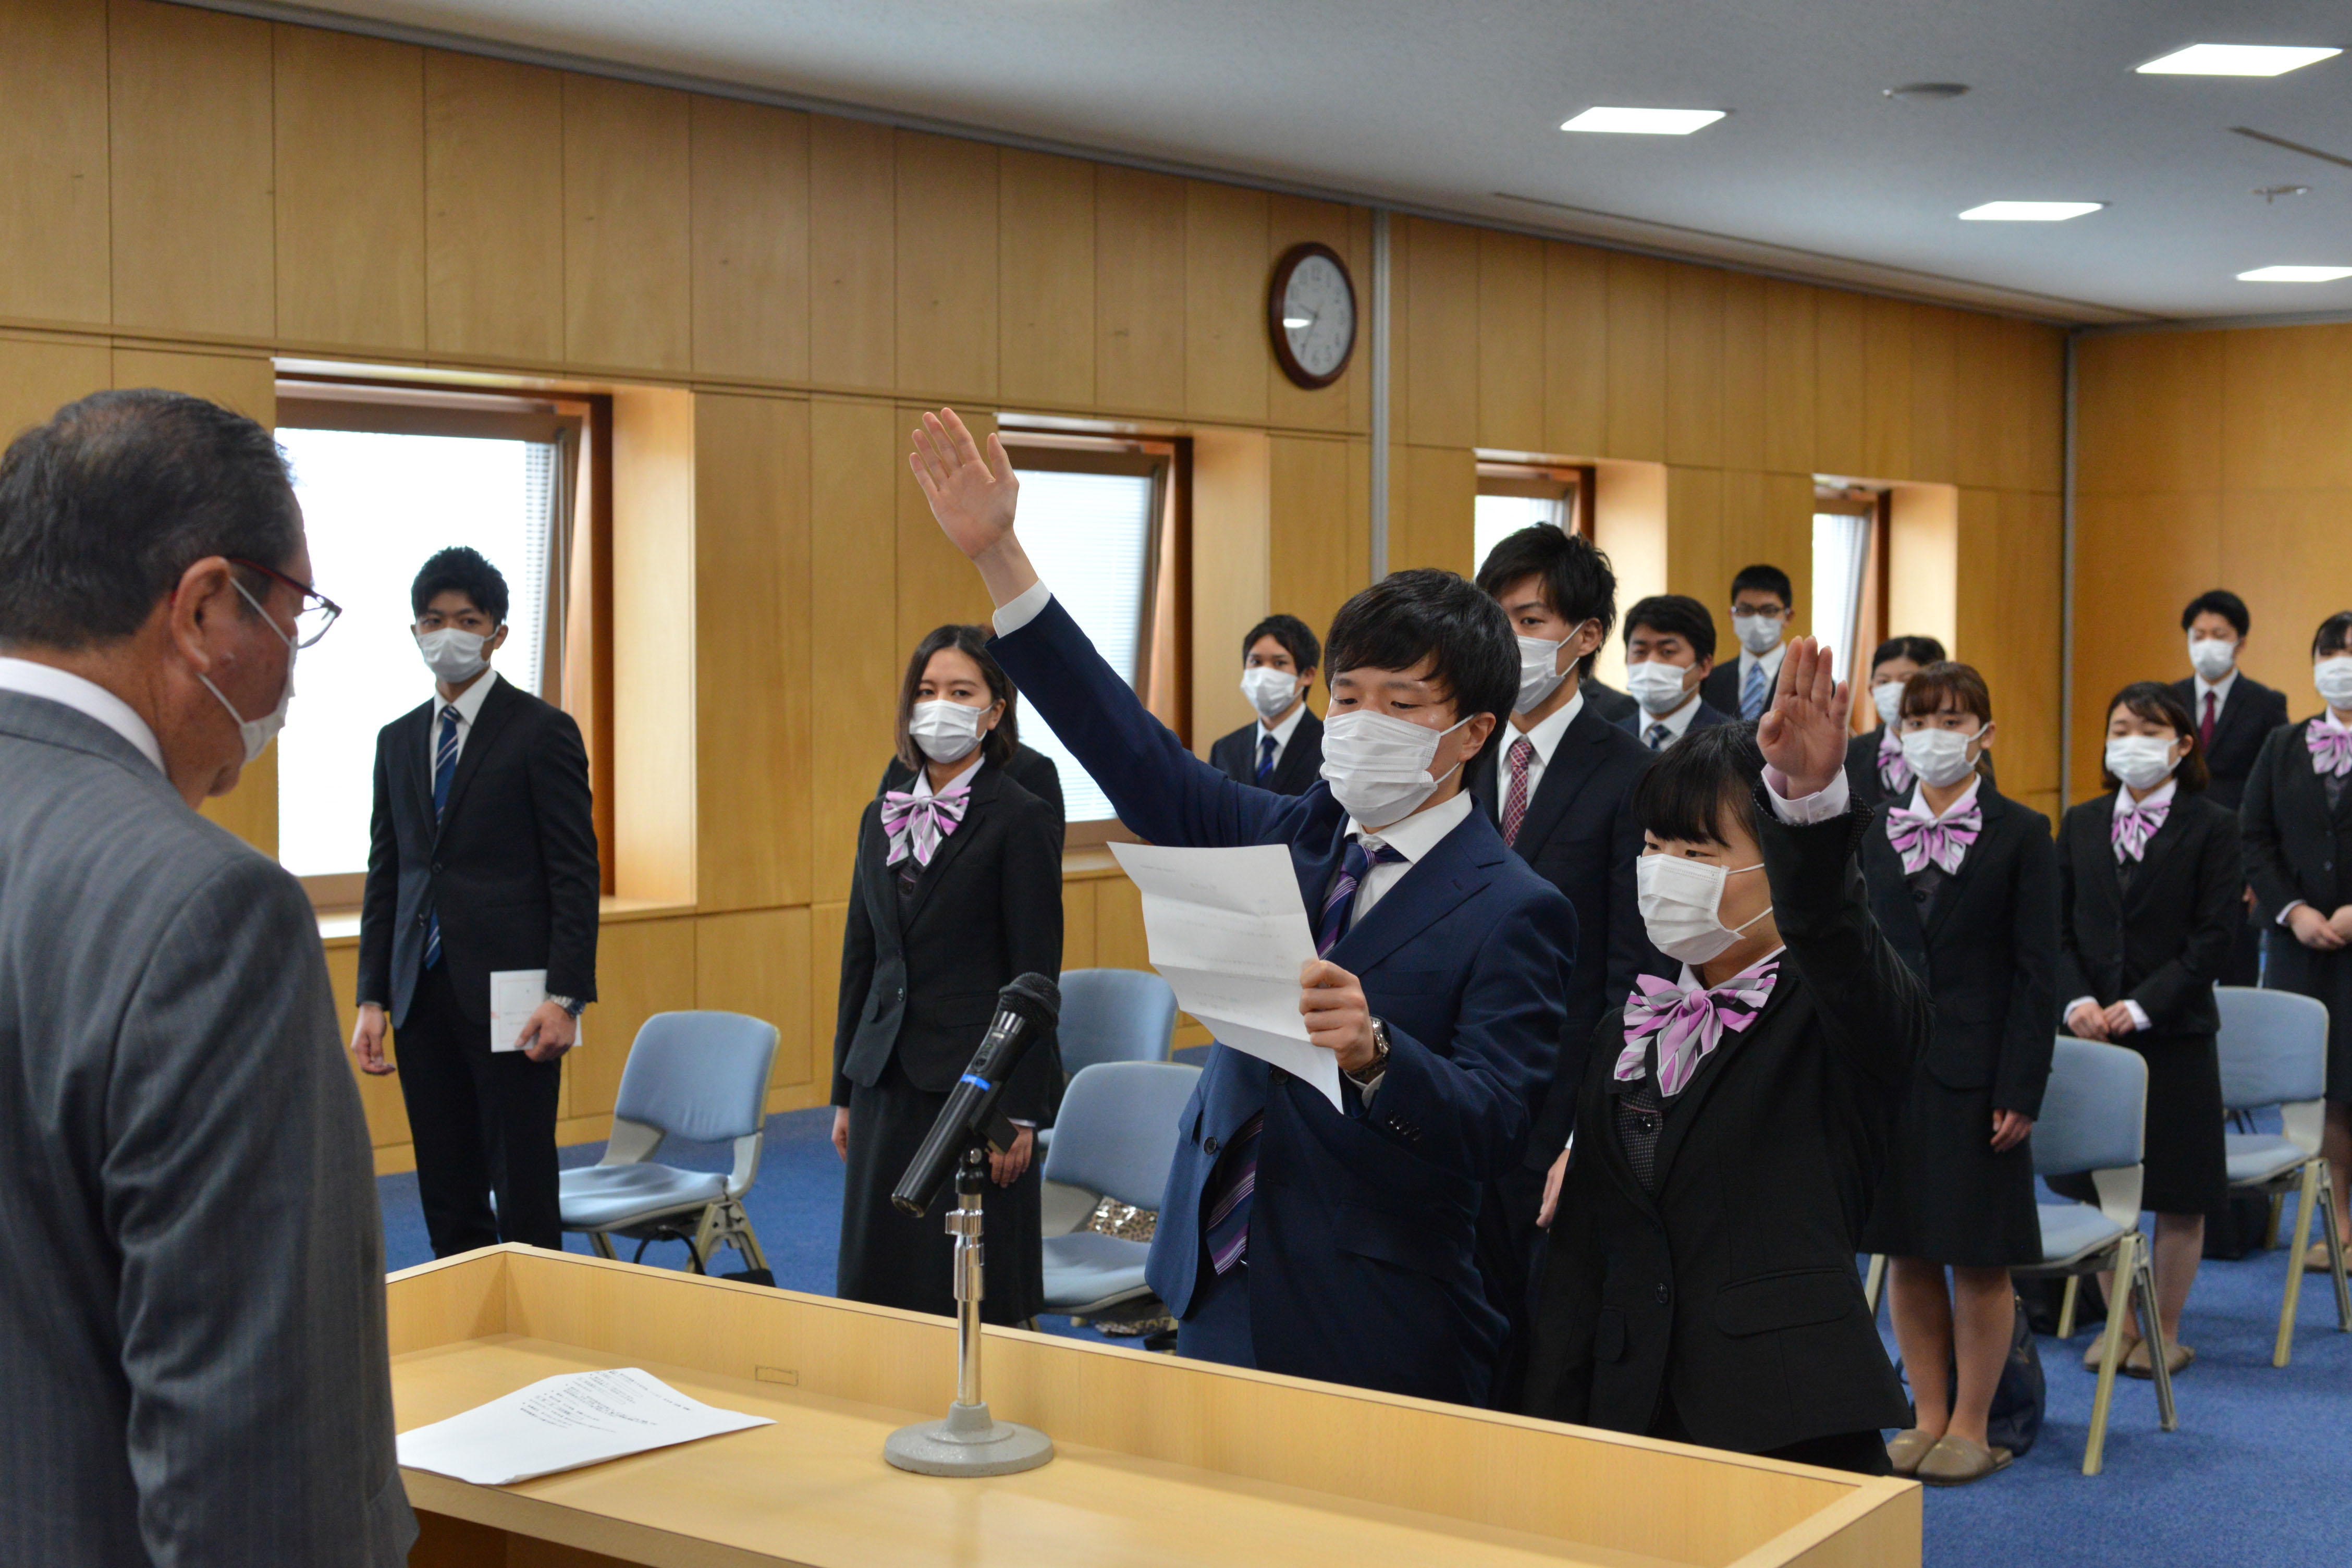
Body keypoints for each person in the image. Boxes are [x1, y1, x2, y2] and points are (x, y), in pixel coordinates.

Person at [909, 407, 1572, 1408]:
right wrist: (1002, 555)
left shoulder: (1515, 905)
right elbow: (1127, 746)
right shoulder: (1292, 831)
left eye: (1402, 705)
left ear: (1473, 731)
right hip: (1213, 1267)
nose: (1360, 725)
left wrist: (1380, 1054)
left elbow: (1496, 1124)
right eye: (1346, 698)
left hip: (1374, 1307)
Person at [0, 389, 414, 1564]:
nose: (292, 667)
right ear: (201, 608)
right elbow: (262, 1481)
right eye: (296, 614)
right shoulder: (205, 914)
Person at [1524, 640, 1930, 1475]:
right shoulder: (1631, 1021)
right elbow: (1583, 1260)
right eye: (1655, 849)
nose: (1666, 874)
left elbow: (1836, 934)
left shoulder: (1833, 1013)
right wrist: (1553, 1419)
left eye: (1700, 855)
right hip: (1634, 1405)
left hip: (1783, 1407)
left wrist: (1809, 809)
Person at [352, 547, 600, 1258]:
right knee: (445, 1179)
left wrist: (568, 995)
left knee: (521, 1180)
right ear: (415, 633)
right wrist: (374, 995)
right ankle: (475, 1340)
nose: (449, 634)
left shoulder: (540, 731)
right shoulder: (397, 741)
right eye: (434, 621)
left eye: (467, 619)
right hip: (422, 992)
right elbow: (388, 874)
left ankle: (543, 1337)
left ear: (497, 632)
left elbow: (574, 873)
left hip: (516, 999)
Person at [1465, 524, 1662, 1405]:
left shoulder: (1631, 773)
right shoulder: (1458, 754)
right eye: (1493, 617)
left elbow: (1636, 971)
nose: (1507, 638)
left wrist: (1591, 1130)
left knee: (1541, 1354)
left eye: (1527, 618)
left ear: (1583, 636)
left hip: (1560, 1105)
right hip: (1453, 1087)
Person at [1856, 662, 2055, 1485]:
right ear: (1898, 733)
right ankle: (1926, 1412)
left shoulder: (2023, 832)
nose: (1935, 732)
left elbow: (2039, 972)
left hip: (1980, 1082)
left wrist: (2020, 1087)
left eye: (1953, 718)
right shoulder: (1871, 828)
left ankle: (1975, 1420)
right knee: (1904, 1252)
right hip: (1892, 1074)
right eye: (1919, 719)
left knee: (1977, 1258)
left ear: (1985, 734)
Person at [832, 624, 1064, 1325]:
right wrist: (845, 1087)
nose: (941, 706)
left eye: (961, 692)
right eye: (928, 691)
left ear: (995, 710)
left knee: (966, 1287)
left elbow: (1035, 972)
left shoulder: (1019, 814)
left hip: (974, 1084)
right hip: (886, 1074)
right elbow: (862, 954)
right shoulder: (882, 811)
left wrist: (1019, 1110)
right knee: (881, 1279)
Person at [2054, 682, 2238, 1379]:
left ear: (2182, 744)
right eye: (2120, 727)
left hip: (2176, 1032)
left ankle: (2163, 1327)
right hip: (2093, 1035)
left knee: (2178, 1192)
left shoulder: (2213, 825)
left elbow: (2217, 935)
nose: (2131, 741)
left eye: (2148, 729)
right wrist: (2076, 1000)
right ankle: (2118, 1322)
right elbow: (2058, 924)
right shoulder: (2080, 821)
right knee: (2104, 1187)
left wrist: (2142, 1005)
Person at [2239, 610, 2352, 1270]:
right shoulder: (2283, 743)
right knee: (2325, 1085)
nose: (2341, 660)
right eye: (2330, 650)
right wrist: (2294, 908)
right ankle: (2338, 1221)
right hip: (2300, 942)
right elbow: (2254, 837)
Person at [2171, 590, 2286, 989]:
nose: (2207, 644)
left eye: (2218, 634)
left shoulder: (2266, 703)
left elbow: (2277, 790)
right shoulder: (2169, 700)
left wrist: (2264, 872)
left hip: (2239, 856)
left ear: (2240, 642)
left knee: (2236, 966)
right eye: (2197, 634)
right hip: (2178, 848)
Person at [1210, 612, 1326, 794]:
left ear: (1307, 675)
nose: (1264, 673)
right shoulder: (1225, 749)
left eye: (1279, 663)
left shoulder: (1328, 746)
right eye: (1256, 661)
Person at [1845, 635, 1948, 814]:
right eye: (1883, 682)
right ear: (1872, 689)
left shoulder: (1959, 746)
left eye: (1907, 680)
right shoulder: (1849, 751)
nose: (1894, 691)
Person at [1617, 594, 1733, 751]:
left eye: (1667, 652)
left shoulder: (1732, 743)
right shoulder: (1609, 740)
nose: (1651, 663)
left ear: (1705, 666)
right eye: (1640, 652)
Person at [1698, 564, 1792, 722]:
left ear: (1788, 617)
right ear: (1732, 615)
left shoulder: (1808, 681)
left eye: (1769, 610)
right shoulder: (1712, 680)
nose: (1757, 619)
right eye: (1746, 610)